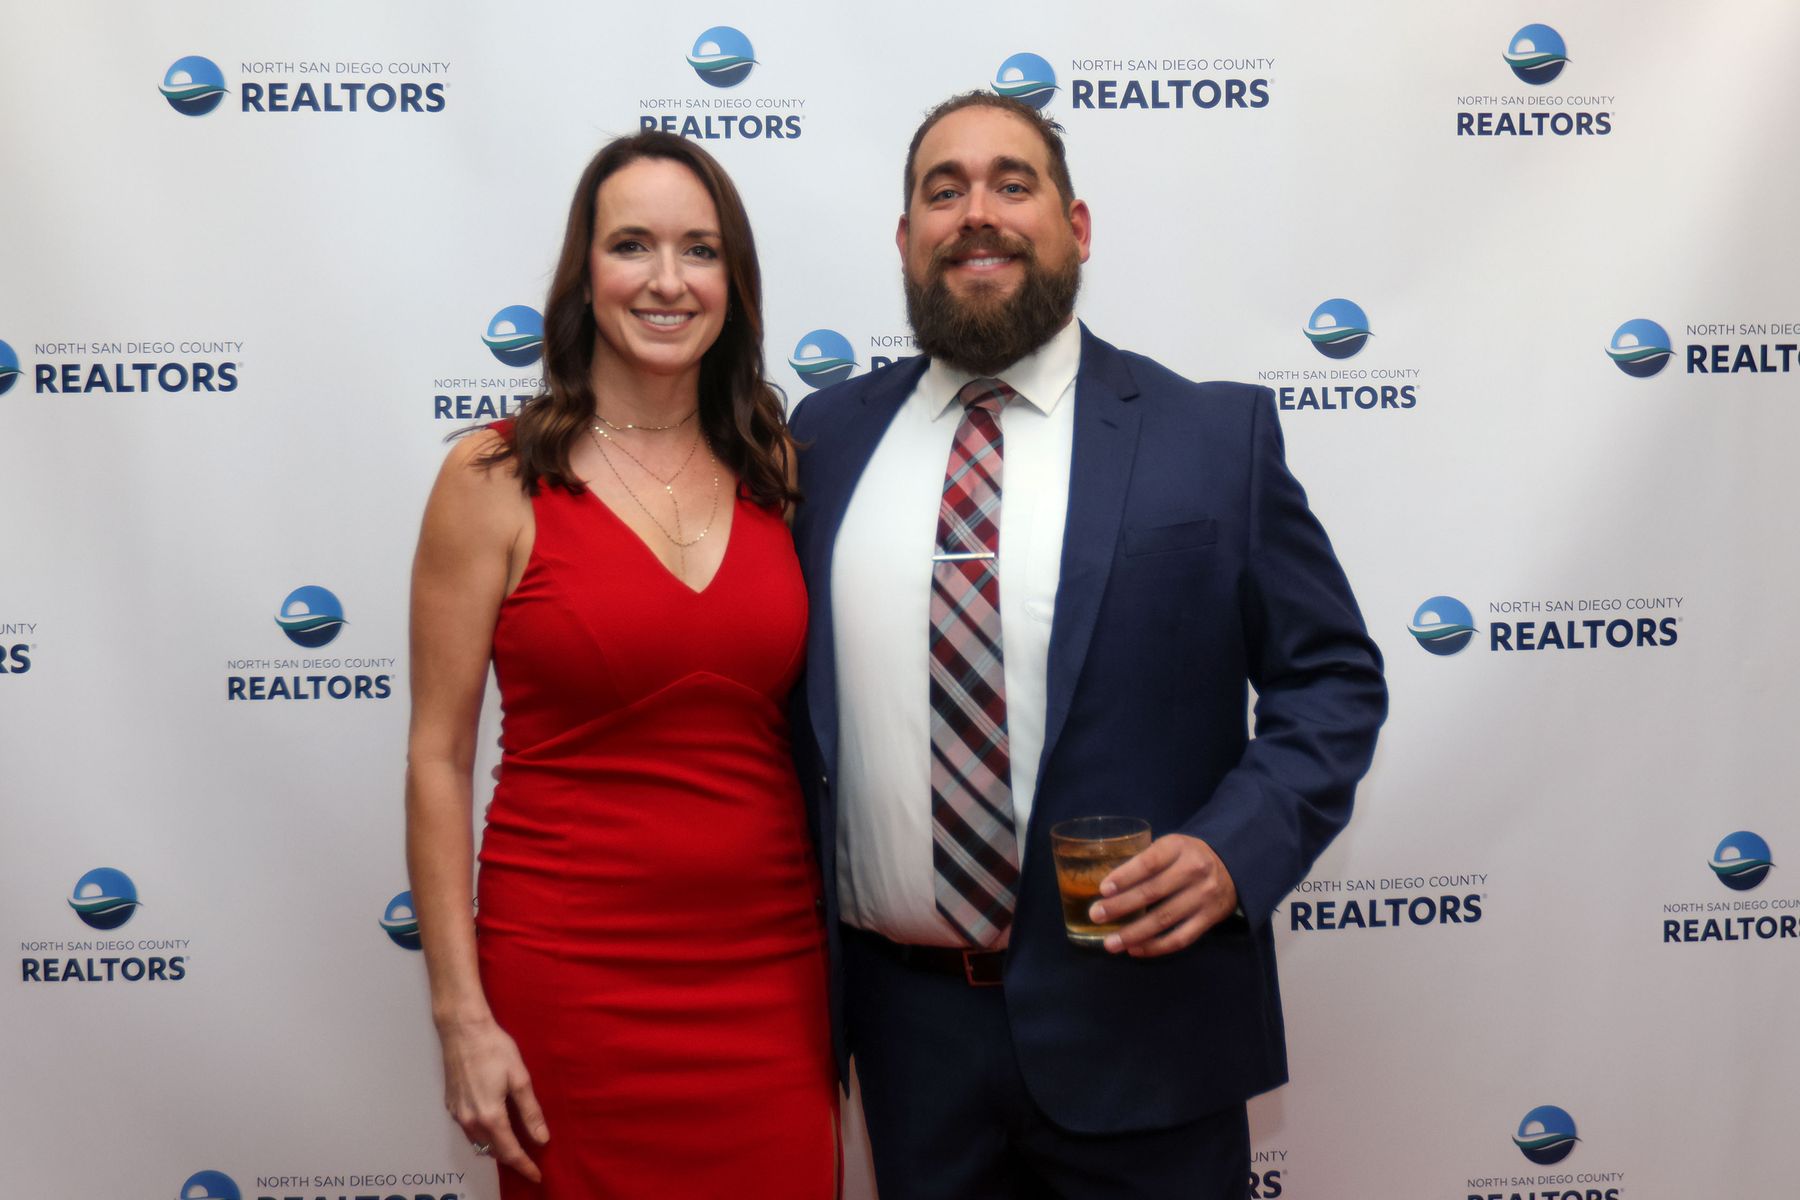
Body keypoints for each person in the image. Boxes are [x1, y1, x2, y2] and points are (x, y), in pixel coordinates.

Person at [787, 92, 1387, 1198]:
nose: (978, 213)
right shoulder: (819, 442)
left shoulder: (1212, 438)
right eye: (944, 190)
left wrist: (1233, 849)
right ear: (906, 238)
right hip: (907, 1046)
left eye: (1012, 184)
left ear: (1077, 227)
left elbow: (1333, 681)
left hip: (1145, 1023)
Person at [405, 130, 835, 1199]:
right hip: (567, 984)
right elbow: (437, 759)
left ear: (734, 282)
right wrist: (461, 1016)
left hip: (771, 983)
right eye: (632, 245)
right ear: (583, 273)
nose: (666, 280)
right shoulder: (493, 476)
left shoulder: (778, 470)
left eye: (700, 250)